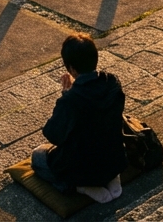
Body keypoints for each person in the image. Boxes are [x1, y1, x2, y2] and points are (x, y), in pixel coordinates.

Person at [32, 33, 128, 203]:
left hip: (82, 170)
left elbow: (53, 134)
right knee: (102, 144)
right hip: (115, 159)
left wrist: (65, 95)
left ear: (72, 69)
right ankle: (112, 180)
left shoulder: (71, 100)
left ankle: (80, 187)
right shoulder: (113, 83)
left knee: (37, 156)